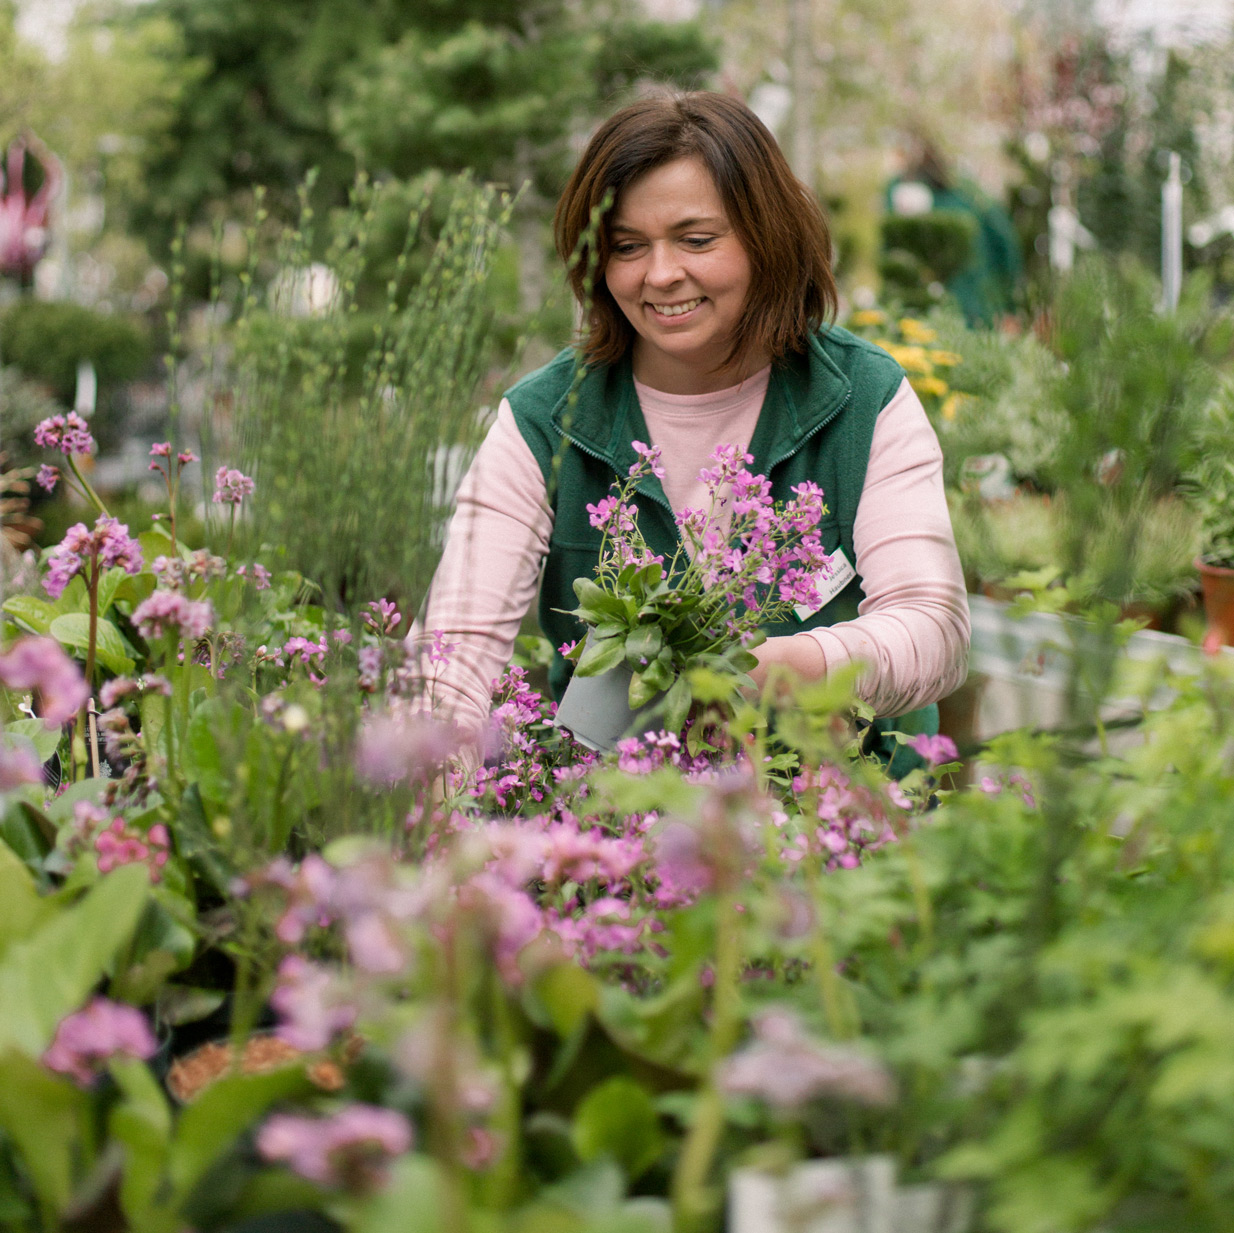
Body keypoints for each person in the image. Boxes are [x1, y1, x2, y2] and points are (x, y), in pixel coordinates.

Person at [413, 91, 970, 768]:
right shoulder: (544, 421)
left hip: (845, 825)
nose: (661, 274)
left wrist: (777, 668)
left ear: (767, 235)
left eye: (697, 239)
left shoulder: (863, 400)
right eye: (627, 246)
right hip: (622, 836)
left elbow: (934, 630)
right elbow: (454, 655)